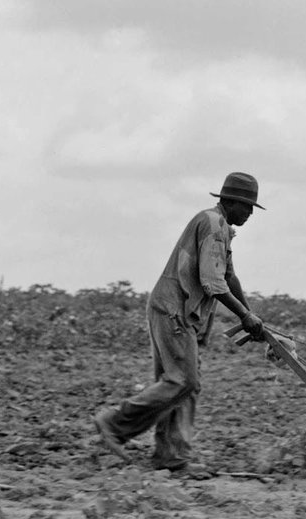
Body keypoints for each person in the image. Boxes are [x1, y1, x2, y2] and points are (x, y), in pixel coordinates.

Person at [93, 172, 267, 477]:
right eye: (248, 206)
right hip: (174, 308)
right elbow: (212, 283)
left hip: (179, 310)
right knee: (182, 381)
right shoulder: (213, 225)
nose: (251, 213)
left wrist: (251, 316)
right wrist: (245, 317)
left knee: (185, 384)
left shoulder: (221, 228)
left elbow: (228, 277)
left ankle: (171, 456)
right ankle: (114, 423)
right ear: (232, 202)